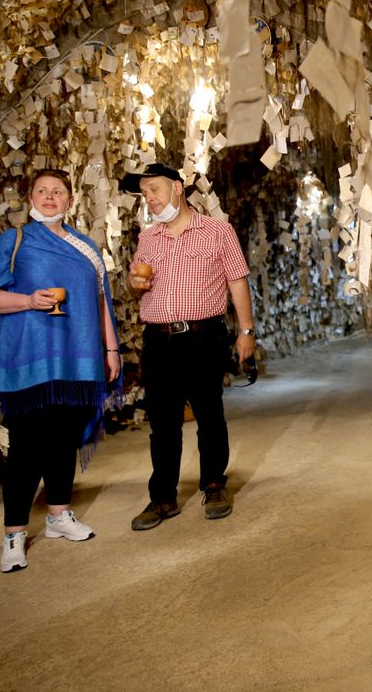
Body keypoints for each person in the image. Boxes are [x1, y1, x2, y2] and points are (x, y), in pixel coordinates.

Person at [0, 168, 121, 573]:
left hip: (79, 356)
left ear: (70, 200)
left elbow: (100, 302)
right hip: (27, 357)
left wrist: (111, 350)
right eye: (42, 191)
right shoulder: (13, 242)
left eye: (58, 191)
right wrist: (27, 301)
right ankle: (13, 534)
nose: (50, 197)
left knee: (63, 438)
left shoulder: (86, 247)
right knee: (25, 446)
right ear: (30, 197)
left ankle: (58, 515)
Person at [120, 163, 255, 530]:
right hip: (158, 339)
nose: (149, 198)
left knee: (209, 415)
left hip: (203, 335)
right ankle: (162, 498)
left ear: (178, 188)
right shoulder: (148, 238)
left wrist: (246, 331)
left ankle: (213, 485)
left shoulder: (217, 231)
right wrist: (135, 283)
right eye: (145, 193)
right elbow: (137, 285)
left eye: (155, 189)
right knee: (162, 423)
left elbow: (237, 281)